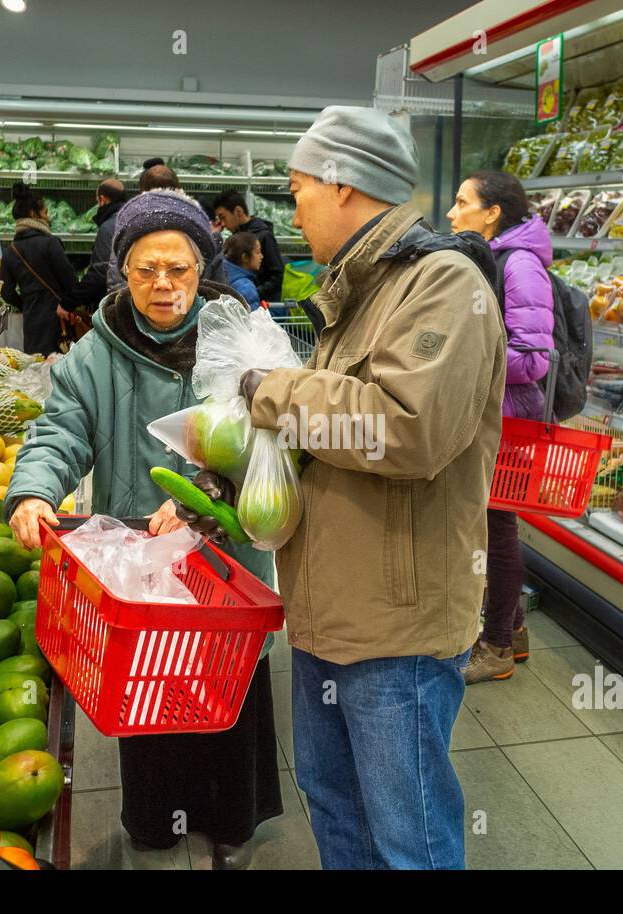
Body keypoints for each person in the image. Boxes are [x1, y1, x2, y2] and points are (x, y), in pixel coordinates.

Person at [199, 106, 506, 869]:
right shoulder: (361, 288)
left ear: (341, 184)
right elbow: (340, 439)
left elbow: (405, 431)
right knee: (337, 811)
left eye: (299, 187)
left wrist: (272, 391)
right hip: (331, 606)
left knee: (411, 839)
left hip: (395, 624)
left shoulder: (441, 284)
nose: (291, 208)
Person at [5, 188, 283, 870]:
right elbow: (60, 430)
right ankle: (155, 822)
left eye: (179, 269)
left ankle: (231, 823)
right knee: (149, 686)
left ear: (202, 268)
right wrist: (34, 491)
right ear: (120, 273)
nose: (163, 285)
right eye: (144, 269)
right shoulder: (95, 355)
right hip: (140, 563)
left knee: (228, 687)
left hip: (228, 555)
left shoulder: (240, 341)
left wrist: (206, 498)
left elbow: (269, 442)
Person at [447, 171, 554, 684]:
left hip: (512, 415)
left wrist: (466, 359)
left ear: (492, 212)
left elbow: (533, 358)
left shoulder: (521, 264)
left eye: (463, 202)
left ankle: (495, 649)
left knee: (496, 524)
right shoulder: (495, 258)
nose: (452, 211)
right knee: (490, 523)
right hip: (496, 410)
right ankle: (511, 630)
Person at [0, 183, 79, 355]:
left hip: (32, 321)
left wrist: (26, 303)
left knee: (36, 368)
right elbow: (71, 282)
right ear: (34, 214)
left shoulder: (10, 250)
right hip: (58, 318)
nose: (48, 218)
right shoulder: (50, 243)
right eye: (45, 213)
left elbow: (6, 292)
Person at [212, 189, 284, 302]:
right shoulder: (235, 238)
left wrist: (254, 293)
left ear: (238, 211)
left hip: (263, 306)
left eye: (223, 217)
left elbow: (278, 276)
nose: (223, 224)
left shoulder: (264, 236)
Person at [68, 177, 127, 312]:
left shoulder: (108, 228)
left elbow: (101, 272)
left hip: (113, 303)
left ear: (102, 199)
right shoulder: (130, 220)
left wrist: (70, 301)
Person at [222, 231, 263, 309]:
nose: (261, 256)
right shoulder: (246, 288)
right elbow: (252, 319)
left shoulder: (219, 272)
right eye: (258, 252)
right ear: (245, 257)